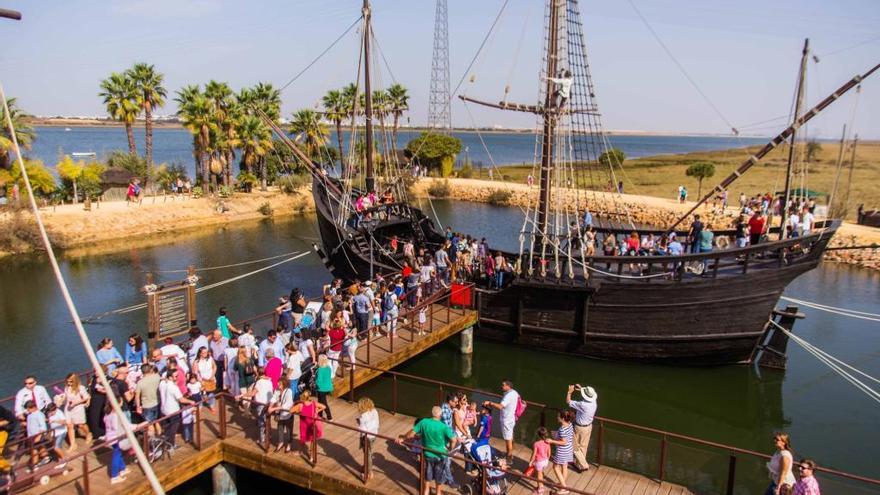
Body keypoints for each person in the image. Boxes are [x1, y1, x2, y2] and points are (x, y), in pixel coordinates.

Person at [397, 406, 458, 495]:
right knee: (439, 480)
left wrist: (403, 438)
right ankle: (438, 492)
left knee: (427, 477)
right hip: (440, 456)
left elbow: (411, 434)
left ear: (432, 414)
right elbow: (454, 440)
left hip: (427, 454)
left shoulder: (424, 422)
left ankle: (426, 491)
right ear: (440, 415)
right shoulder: (444, 426)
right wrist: (449, 450)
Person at [483, 379, 520, 462]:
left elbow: (500, 406)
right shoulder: (514, 392)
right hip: (511, 418)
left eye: (503, 385)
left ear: (508, 386)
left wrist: (490, 403)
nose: (501, 386)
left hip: (507, 420)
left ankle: (509, 458)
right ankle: (509, 454)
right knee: (510, 437)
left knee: (508, 440)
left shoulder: (508, 396)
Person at [159, 369, 194, 447]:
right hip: (173, 411)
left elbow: (161, 380)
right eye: (175, 376)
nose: (177, 378)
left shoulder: (162, 383)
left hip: (164, 410)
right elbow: (181, 399)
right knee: (173, 429)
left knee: (167, 428)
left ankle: (166, 443)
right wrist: (191, 401)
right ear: (170, 377)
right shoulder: (173, 387)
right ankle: (171, 445)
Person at [566, 384, 597, 472]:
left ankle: (584, 464)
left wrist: (569, 392)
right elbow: (588, 396)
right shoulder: (594, 402)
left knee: (574, 445)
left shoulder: (582, 404)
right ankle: (578, 464)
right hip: (589, 426)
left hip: (580, 427)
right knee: (583, 447)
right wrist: (580, 389)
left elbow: (568, 401)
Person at [102, 404, 130, 484]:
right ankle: (114, 476)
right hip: (116, 437)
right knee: (116, 454)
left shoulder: (107, 415)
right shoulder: (115, 416)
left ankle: (122, 468)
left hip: (109, 437)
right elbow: (116, 427)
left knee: (118, 452)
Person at [63, 373, 92, 450]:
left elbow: (86, 397)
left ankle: (88, 434)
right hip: (68, 408)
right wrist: (61, 399)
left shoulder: (80, 388)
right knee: (69, 426)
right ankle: (73, 444)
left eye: (71, 382)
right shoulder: (66, 388)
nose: (69, 383)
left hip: (78, 408)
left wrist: (77, 402)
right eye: (68, 381)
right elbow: (66, 397)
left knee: (81, 425)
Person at [292, 390, 325, 454]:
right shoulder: (313, 403)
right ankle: (311, 455)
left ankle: (300, 451)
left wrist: (297, 410)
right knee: (312, 439)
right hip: (312, 424)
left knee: (303, 438)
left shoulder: (300, 405)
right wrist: (317, 411)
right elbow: (324, 406)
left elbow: (291, 411)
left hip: (304, 425)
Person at [550, 410, 575, 494]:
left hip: (562, 451)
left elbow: (564, 442)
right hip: (569, 449)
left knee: (555, 467)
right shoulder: (570, 424)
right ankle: (562, 483)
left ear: (563, 418)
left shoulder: (562, 429)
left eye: (558, 416)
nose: (557, 418)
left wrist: (552, 441)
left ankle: (564, 488)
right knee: (564, 466)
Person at [268, 376, 295, 453]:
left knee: (289, 430)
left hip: (287, 414)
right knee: (280, 428)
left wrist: (274, 409)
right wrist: (270, 406)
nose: (278, 385)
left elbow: (287, 404)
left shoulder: (288, 391)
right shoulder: (277, 390)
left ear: (284, 384)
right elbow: (274, 398)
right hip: (280, 414)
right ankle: (281, 442)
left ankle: (289, 445)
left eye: (280, 384)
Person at [357, 397, 380, 479]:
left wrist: (359, 423)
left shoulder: (363, 416)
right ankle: (366, 466)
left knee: (367, 454)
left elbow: (362, 429)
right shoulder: (375, 411)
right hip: (374, 435)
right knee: (369, 452)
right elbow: (376, 423)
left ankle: (369, 472)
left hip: (367, 437)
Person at [134, 364, 161, 434]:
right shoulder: (156, 377)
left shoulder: (140, 383)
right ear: (150, 370)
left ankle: (153, 441)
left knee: (149, 424)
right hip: (157, 403)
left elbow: (137, 396)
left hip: (147, 406)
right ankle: (160, 437)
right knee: (157, 421)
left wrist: (138, 407)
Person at [525, 427, 552, 494]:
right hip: (546, 461)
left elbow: (534, 454)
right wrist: (547, 458)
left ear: (538, 435)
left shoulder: (536, 444)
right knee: (540, 473)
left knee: (538, 476)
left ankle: (540, 489)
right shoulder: (547, 442)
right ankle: (541, 485)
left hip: (539, 462)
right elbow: (549, 453)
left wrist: (531, 461)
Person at [315, 354, 334, 420]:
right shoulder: (328, 368)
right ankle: (319, 415)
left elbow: (319, 381)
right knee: (320, 401)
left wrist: (315, 382)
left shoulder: (320, 369)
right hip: (328, 387)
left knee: (323, 403)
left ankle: (329, 417)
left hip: (322, 388)